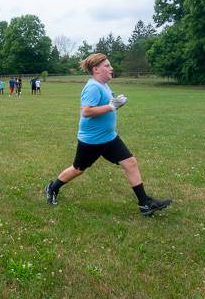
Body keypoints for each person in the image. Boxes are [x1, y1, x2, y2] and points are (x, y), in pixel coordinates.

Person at [44, 53, 172, 217]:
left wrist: (116, 102)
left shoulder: (103, 85)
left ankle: (145, 204)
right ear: (96, 69)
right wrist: (112, 106)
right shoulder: (92, 87)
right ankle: (52, 188)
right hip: (92, 141)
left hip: (109, 137)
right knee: (77, 169)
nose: (111, 68)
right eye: (107, 66)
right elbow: (86, 111)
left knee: (130, 163)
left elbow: (106, 104)